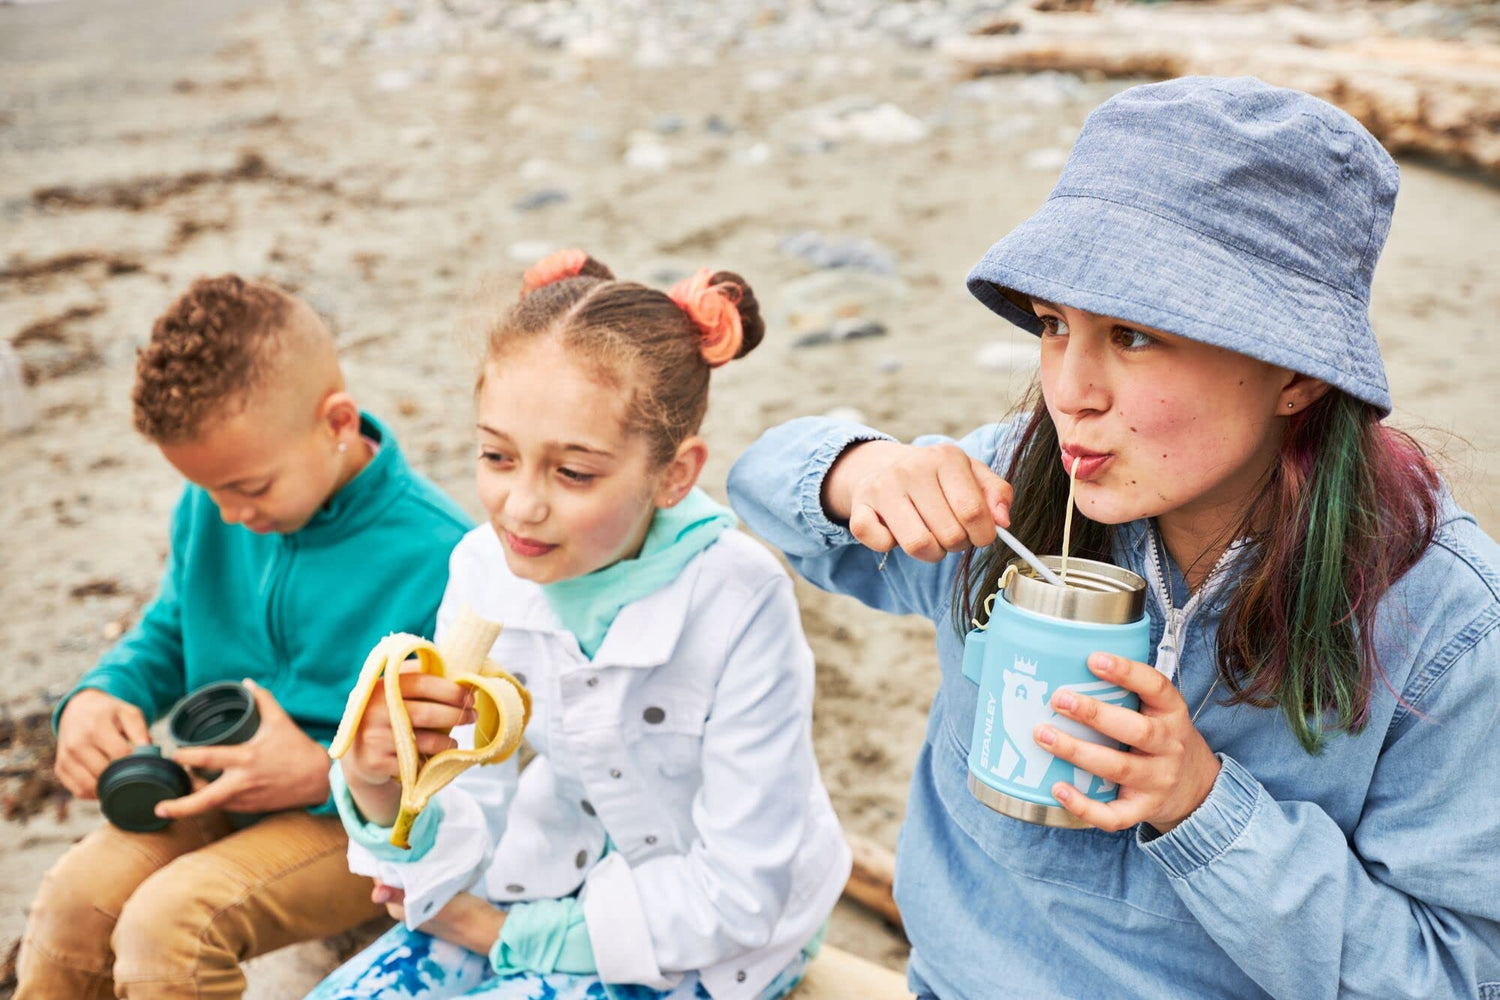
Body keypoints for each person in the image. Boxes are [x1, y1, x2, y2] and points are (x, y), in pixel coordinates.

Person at [727, 77, 1500, 998]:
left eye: (1132, 336)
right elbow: (763, 482)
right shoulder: (1021, 490)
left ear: (1297, 376)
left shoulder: (1446, 629)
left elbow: (1454, 974)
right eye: (1055, 325)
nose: (1069, 393)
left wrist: (1203, 806)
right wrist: (863, 471)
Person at [311, 250, 850, 1000]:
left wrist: (501, 936)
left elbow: (742, 892)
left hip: (719, 939)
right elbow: (471, 812)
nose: (520, 506)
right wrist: (378, 782)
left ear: (675, 474)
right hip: (550, 872)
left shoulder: (740, 598)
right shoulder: (484, 569)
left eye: (573, 472)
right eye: (497, 455)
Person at [19, 275, 473, 1000]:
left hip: (351, 822)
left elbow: (457, 770)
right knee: (74, 902)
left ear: (337, 422)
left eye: (252, 490)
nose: (230, 515)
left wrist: (326, 772)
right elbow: (172, 625)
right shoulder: (217, 501)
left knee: (169, 930)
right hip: (217, 784)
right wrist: (104, 691)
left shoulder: (444, 557)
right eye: (212, 491)